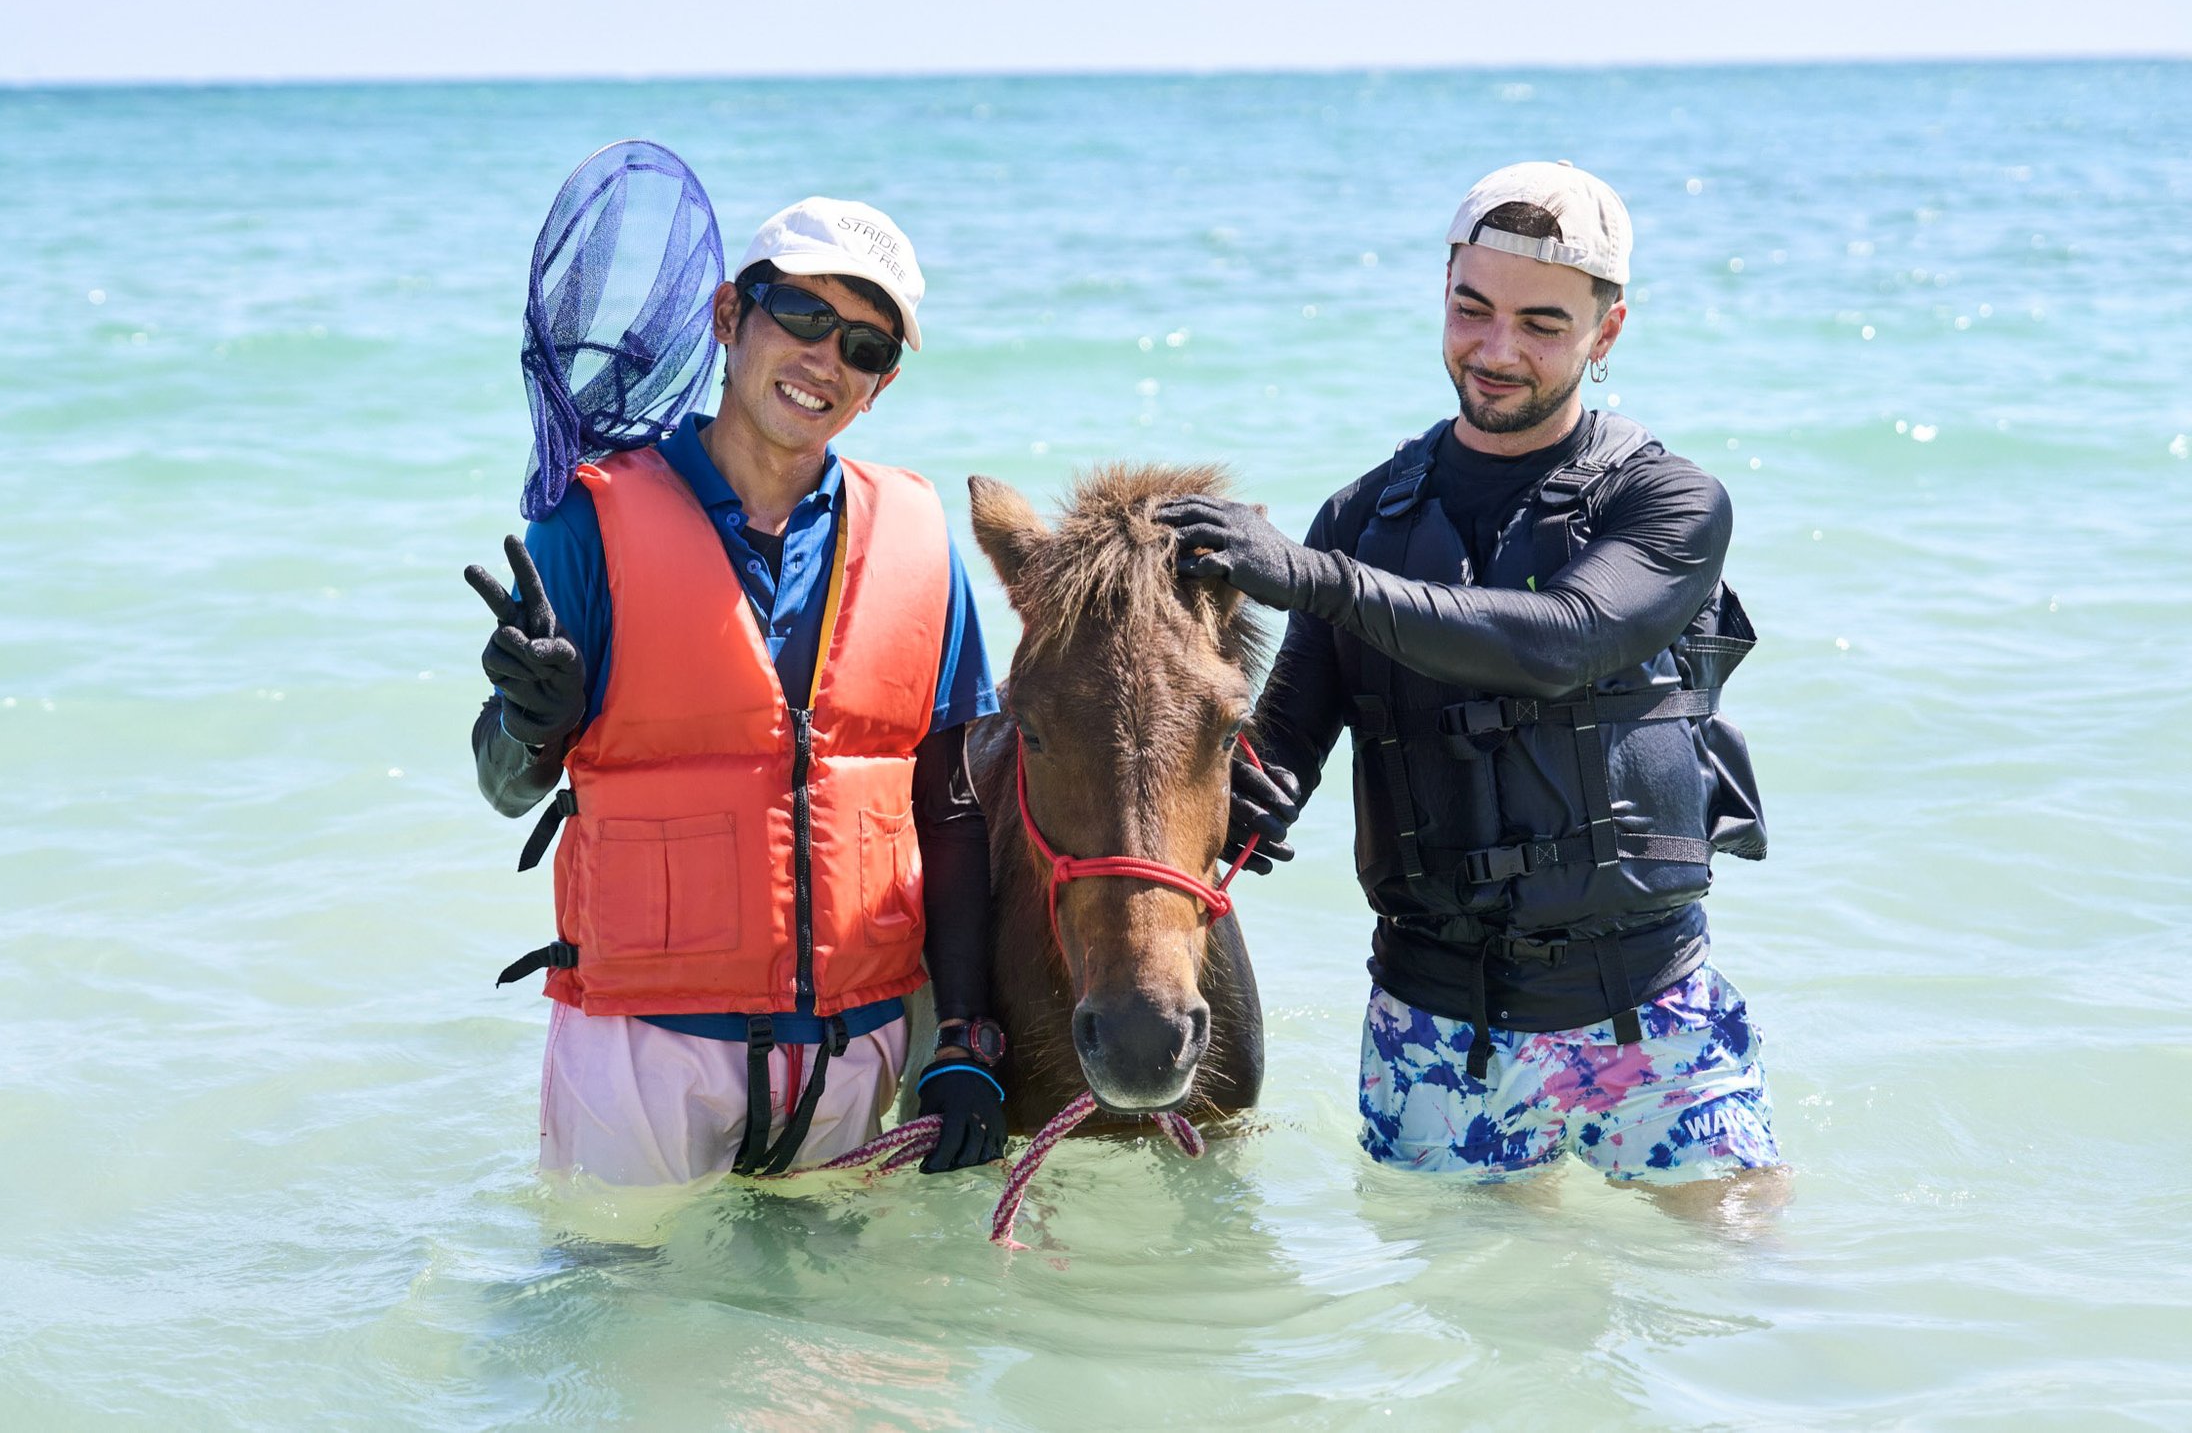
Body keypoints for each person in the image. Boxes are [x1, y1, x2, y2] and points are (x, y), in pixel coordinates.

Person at [1156, 162, 1784, 1210]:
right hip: (1434, 1028)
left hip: (1651, 1019)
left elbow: (1565, 639)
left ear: (1607, 330)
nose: (1496, 350)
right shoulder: (1361, 518)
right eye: (1470, 308)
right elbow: (1272, 773)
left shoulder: (1669, 501)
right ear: (1442, 290)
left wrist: (1310, 573)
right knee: (1480, 1343)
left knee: (1746, 1303)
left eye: (1542, 322)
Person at [466, 198, 1011, 1184]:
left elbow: (953, 807)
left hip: (856, 1056)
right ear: (727, 315)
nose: (824, 359)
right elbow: (504, 780)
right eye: (800, 314)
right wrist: (529, 722)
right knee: (619, 1325)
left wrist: (965, 1040)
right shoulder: (588, 519)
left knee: (845, 1339)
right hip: (643, 1050)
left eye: (863, 344)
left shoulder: (921, 539)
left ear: (878, 387)